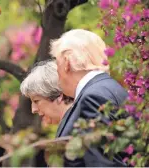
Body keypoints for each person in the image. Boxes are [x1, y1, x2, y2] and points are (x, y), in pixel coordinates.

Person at [50, 29, 128, 167]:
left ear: (67, 62)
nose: (56, 71)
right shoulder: (111, 89)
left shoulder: (93, 98)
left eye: (57, 63)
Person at [20, 60, 74, 125]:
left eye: (36, 101)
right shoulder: (73, 124)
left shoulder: (77, 126)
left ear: (59, 95)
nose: (33, 110)